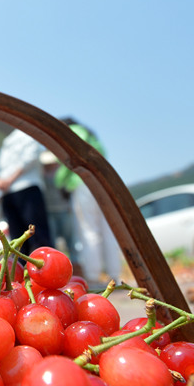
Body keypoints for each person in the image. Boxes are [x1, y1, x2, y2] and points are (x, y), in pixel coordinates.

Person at [55, 117, 121, 290]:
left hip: (83, 184)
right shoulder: (92, 136)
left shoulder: (75, 132)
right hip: (104, 182)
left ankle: (92, 278)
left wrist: (59, 180)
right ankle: (115, 277)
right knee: (108, 230)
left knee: (88, 230)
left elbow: (72, 158)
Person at [0, 129, 53, 253]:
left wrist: (9, 180)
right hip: (8, 194)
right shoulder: (5, 142)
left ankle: (44, 269)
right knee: (17, 239)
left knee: (39, 237)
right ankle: (21, 269)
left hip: (27, 187)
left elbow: (29, 158)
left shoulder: (27, 134)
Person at [40, 149, 76, 258]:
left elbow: (69, 191)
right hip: (49, 211)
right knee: (52, 241)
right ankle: (54, 261)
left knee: (70, 240)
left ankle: (75, 262)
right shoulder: (41, 175)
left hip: (64, 209)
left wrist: (70, 205)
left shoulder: (61, 172)